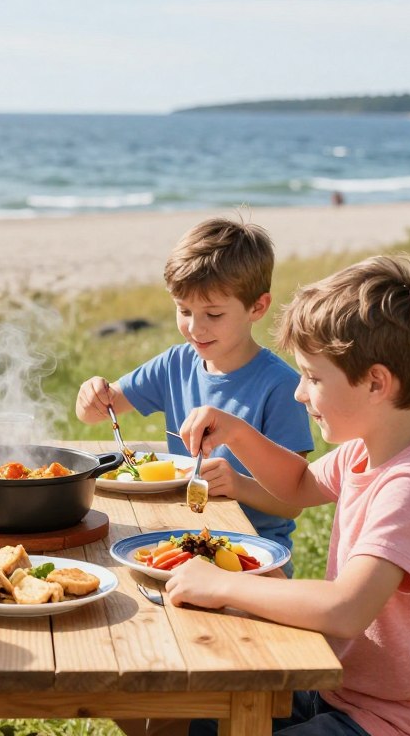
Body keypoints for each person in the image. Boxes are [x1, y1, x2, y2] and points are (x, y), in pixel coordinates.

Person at [167, 255, 410, 735]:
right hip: (338, 690)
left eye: (313, 377)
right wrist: (237, 432)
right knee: (201, 716)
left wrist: (221, 584)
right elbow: (297, 485)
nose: (299, 394)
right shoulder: (364, 451)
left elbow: (345, 609)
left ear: (375, 382)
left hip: (397, 721)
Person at [76, 217, 313, 566]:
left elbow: (293, 502)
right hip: (187, 539)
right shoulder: (175, 364)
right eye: (184, 310)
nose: (195, 328)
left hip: (253, 555)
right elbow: (95, 412)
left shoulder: (282, 387)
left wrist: (237, 485)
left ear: (257, 307)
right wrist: (92, 396)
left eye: (213, 314)